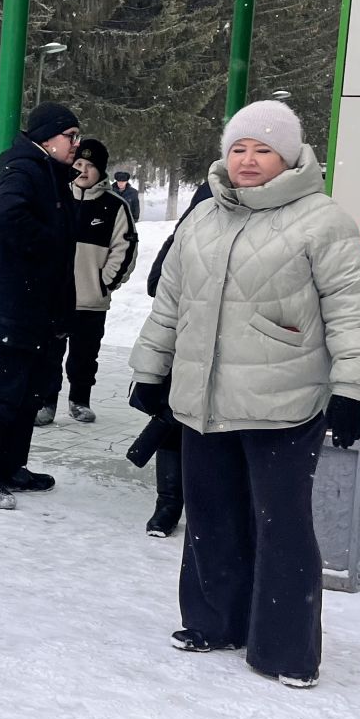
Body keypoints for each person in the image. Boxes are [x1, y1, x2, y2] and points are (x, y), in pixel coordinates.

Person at [129, 100, 360, 689]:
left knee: (281, 524)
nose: (247, 160)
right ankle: (214, 621)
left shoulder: (322, 220)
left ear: (289, 157)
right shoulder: (203, 217)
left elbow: (353, 310)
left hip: (282, 401)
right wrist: (151, 368)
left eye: (262, 149)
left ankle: (285, 649)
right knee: (211, 515)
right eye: (238, 148)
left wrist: (351, 389)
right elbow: (171, 302)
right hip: (203, 399)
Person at [0, 101, 81, 509]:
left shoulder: (53, 176)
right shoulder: (23, 170)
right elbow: (7, 219)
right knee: (0, 396)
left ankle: (11, 466)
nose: (76, 145)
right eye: (70, 137)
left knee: (29, 394)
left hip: (39, 313)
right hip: (8, 308)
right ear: (46, 137)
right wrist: (47, 247)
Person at [138, 179, 212, 537]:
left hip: (234, 355)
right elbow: (158, 283)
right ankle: (167, 504)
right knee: (171, 425)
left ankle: (206, 507)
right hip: (185, 344)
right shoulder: (195, 221)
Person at [63, 138, 138, 424]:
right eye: (78, 163)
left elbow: (126, 248)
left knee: (84, 356)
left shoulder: (114, 206)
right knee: (45, 353)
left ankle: (80, 400)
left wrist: (103, 284)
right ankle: (43, 401)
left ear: (102, 171)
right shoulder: (57, 197)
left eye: (90, 166)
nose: (82, 170)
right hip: (54, 297)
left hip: (91, 301)